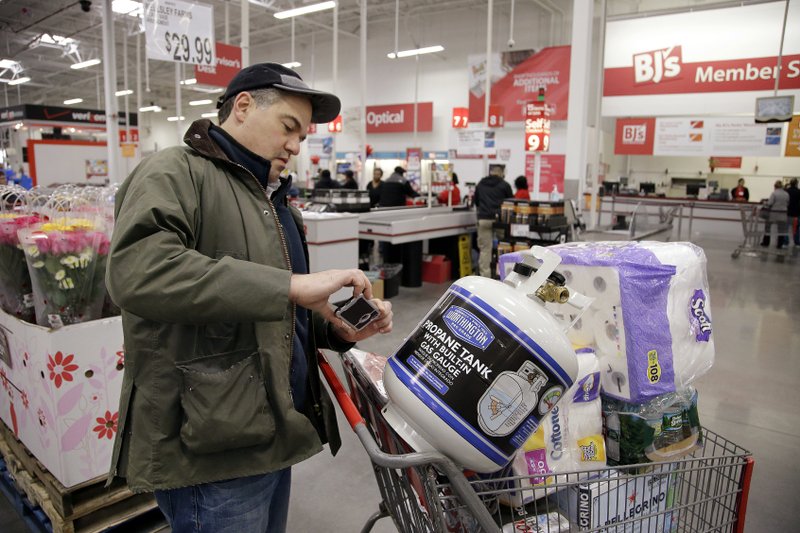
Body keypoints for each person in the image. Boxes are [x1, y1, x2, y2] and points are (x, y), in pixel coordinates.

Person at [105, 62, 393, 533]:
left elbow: (281, 309)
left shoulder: (278, 206)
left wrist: (334, 328)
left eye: (303, 136)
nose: (295, 147)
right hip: (210, 449)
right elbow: (139, 273)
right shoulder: (173, 174)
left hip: (273, 430)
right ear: (242, 107)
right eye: (289, 128)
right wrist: (292, 286)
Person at [474, 166, 513, 277]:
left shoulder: (481, 184)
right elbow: (511, 203)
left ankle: (485, 277)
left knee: (485, 249)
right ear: (501, 173)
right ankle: (505, 274)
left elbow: (476, 201)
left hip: (484, 219)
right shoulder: (505, 185)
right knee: (505, 247)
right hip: (500, 220)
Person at [761, 180, 790, 248]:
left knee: (768, 227)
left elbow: (770, 203)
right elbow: (788, 203)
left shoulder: (774, 193)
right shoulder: (786, 194)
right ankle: (780, 244)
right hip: (783, 214)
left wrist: (764, 202)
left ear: (775, 186)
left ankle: (766, 242)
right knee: (781, 229)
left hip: (774, 214)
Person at [786, 178, 800, 246]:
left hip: (787, 212)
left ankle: (785, 242)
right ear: (797, 184)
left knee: (786, 227)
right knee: (796, 228)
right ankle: (796, 242)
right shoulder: (798, 191)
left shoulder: (786, 191)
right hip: (796, 213)